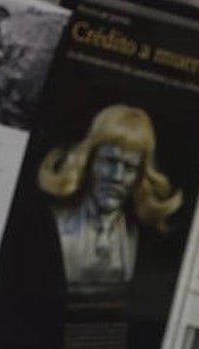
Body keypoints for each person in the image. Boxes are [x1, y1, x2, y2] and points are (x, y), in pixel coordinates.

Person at [37, 104, 181, 295]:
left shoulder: (144, 241)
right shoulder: (50, 224)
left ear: (139, 176)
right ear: (89, 160)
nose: (117, 176)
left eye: (129, 167)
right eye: (110, 161)